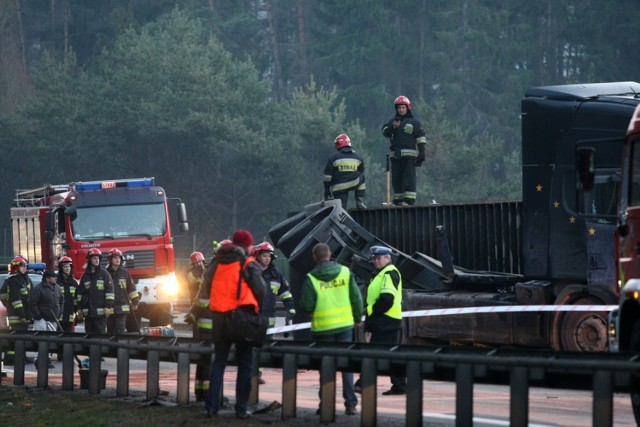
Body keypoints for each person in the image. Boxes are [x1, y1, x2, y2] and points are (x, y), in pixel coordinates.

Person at [200, 229, 265, 419]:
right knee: (245, 363)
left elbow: (207, 286)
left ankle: (211, 407)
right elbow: (260, 290)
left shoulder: (216, 263)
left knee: (218, 361)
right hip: (241, 317)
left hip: (219, 317)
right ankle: (241, 408)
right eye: (251, 244)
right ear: (246, 246)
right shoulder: (247, 263)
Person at [298, 242, 363, 417]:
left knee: (326, 367)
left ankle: (326, 404)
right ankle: (350, 404)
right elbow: (356, 298)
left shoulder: (311, 278)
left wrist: (313, 312)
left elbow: (305, 304)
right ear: (330, 254)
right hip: (344, 326)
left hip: (323, 329)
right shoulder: (345, 272)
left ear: (314, 258)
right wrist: (357, 318)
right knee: (346, 366)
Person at [363, 245, 406, 395]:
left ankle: (363, 384)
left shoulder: (389, 273)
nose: (376, 261)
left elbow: (387, 298)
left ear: (388, 258)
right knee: (390, 353)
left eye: (379, 258)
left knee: (374, 352)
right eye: (374, 258)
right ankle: (400, 385)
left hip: (385, 320)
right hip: (387, 319)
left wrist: (374, 311)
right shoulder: (381, 273)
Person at [253, 241, 295, 384]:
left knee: (265, 347)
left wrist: (290, 309)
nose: (267, 258)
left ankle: (257, 374)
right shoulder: (251, 272)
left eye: (269, 256)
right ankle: (249, 371)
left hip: (268, 319)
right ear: (258, 256)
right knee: (251, 346)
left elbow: (285, 293)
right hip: (251, 318)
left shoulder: (276, 275)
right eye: (264, 255)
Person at [381, 95, 427, 206]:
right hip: (396, 156)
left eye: (403, 107)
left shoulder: (414, 122)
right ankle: (398, 200)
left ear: (407, 108)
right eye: (399, 108)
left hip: (409, 157)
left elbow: (420, 137)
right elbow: (385, 132)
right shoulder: (393, 121)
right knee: (396, 179)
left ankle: (409, 200)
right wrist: (393, 128)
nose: (401, 110)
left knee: (409, 178)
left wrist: (422, 152)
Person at [184, 250, 212, 402]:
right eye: (195, 263)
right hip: (196, 307)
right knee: (198, 335)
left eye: (199, 262)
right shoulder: (191, 274)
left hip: (203, 309)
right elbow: (199, 285)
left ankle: (203, 392)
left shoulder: (206, 271)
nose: (198, 264)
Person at [1, 256, 34, 365]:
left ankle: (21, 357)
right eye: (22, 266)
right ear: (16, 267)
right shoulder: (14, 280)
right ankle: (11, 359)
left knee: (22, 338)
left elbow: (29, 297)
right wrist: (22, 315)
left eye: (25, 266)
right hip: (17, 316)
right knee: (15, 338)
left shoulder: (26, 279)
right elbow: (16, 300)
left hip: (24, 314)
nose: (25, 268)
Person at [28, 270, 63, 369]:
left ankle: (47, 360)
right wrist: (38, 316)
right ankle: (38, 359)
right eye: (53, 276)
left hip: (53, 319)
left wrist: (59, 313)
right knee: (40, 340)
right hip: (41, 320)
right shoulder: (38, 289)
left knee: (51, 340)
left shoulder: (58, 288)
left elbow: (61, 301)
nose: (56, 278)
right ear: (47, 278)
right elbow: (32, 303)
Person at [323, 133, 366, 209]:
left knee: (341, 209)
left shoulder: (333, 157)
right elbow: (361, 171)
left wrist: (327, 189)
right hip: (354, 183)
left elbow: (327, 177)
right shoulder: (358, 158)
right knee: (362, 177)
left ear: (338, 144)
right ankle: (359, 201)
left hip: (338, 187)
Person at [77, 248, 115, 334]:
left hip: (101, 314)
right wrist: (79, 308)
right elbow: (80, 293)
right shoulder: (85, 276)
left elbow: (110, 291)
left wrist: (108, 306)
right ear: (89, 260)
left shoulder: (104, 274)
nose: (97, 260)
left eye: (98, 258)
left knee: (100, 335)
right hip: (88, 313)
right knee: (89, 335)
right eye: (94, 258)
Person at [105, 248, 139, 334]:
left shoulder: (125, 272)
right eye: (115, 258)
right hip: (110, 308)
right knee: (110, 331)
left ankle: (119, 347)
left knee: (120, 330)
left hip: (123, 308)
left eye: (119, 258)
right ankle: (112, 347)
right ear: (110, 259)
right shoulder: (105, 273)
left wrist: (135, 301)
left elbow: (132, 289)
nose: (117, 260)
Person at [57, 256, 79, 333]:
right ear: (61, 268)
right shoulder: (56, 282)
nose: (67, 268)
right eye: (65, 267)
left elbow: (76, 299)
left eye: (69, 266)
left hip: (70, 317)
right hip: (58, 317)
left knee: (69, 338)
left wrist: (76, 311)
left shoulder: (74, 282)